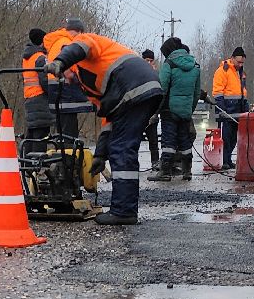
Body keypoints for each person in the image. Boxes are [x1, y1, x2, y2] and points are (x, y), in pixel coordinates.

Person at [44, 23, 164, 225]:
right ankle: (124, 208)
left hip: (133, 86)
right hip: (142, 90)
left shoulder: (84, 43)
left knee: (122, 148)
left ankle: (124, 212)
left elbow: (78, 48)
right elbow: (109, 119)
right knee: (122, 145)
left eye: (64, 73)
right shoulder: (88, 86)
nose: (67, 79)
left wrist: (59, 61)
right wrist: (100, 154)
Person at [152, 36, 204, 181]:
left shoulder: (169, 64)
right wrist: (189, 109)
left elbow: (161, 88)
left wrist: (156, 109)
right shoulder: (195, 66)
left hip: (170, 109)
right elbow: (196, 92)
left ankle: (165, 171)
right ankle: (187, 171)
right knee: (184, 140)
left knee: (168, 140)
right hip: (185, 110)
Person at [52, 18, 95, 138]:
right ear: (79, 31)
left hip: (55, 88)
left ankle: (63, 152)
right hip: (65, 89)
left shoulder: (58, 41)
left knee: (62, 127)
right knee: (69, 131)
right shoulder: (68, 43)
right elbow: (68, 72)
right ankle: (69, 154)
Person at [212, 47, 248, 169]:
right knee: (226, 138)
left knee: (233, 138)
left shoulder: (241, 73)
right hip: (226, 110)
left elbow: (243, 92)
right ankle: (224, 161)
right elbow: (218, 92)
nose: (240, 64)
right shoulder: (222, 71)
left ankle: (228, 159)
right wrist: (222, 109)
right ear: (232, 58)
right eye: (238, 62)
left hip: (237, 110)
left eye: (242, 62)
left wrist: (245, 107)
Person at [21, 27, 58, 143]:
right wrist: (55, 94)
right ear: (42, 42)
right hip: (41, 99)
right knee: (41, 135)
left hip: (29, 98)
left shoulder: (27, 58)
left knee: (31, 134)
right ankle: (38, 159)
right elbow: (45, 81)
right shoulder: (41, 58)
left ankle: (27, 160)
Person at [139, 49, 161, 171]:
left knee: (153, 141)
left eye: (150, 61)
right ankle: (132, 163)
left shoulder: (157, 75)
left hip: (152, 114)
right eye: (146, 60)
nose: (148, 63)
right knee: (134, 140)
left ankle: (155, 163)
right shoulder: (136, 74)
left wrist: (156, 113)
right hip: (139, 114)